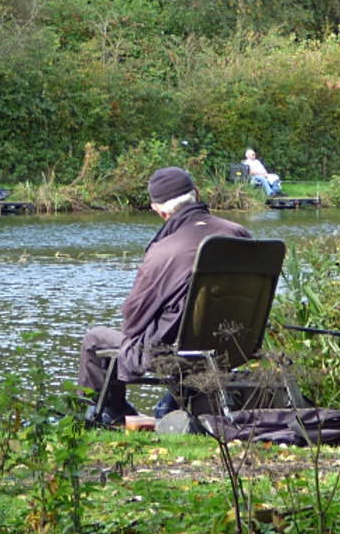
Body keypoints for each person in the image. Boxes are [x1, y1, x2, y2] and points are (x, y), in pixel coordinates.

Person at [78, 166, 251, 426]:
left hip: (177, 352)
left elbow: (132, 323)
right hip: (237, 345)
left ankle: (106, 415)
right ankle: (167, 408)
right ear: (196, 193)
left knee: (94, 339)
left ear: (157, 209)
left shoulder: (163, 251)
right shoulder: (238, 233)